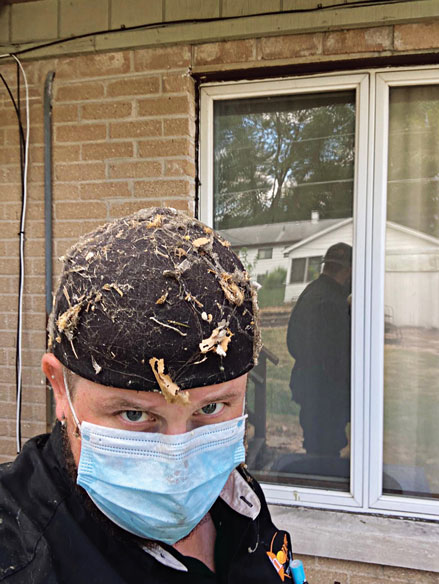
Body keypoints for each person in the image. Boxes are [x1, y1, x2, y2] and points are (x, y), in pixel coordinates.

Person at [0, 207, 293, 583]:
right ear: (59, 386)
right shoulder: (19, 554)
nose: (178, 469)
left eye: (211, 407)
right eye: (134, 415)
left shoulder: (237, 500)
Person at [287, 242, 352, 460]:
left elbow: (292, 342)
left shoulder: (312, 291)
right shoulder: (333, 301)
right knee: (325, 449)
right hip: (327, 392)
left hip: (310, 385)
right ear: (348, 271)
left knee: (316, 443)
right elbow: (339, 355)